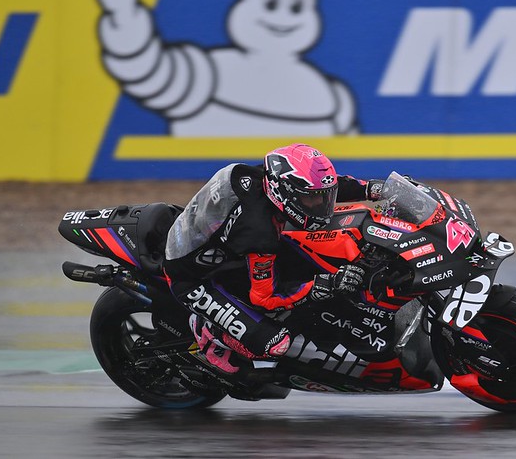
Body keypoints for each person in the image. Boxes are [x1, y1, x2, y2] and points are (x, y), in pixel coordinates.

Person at [164, 144, 383, 373]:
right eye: (312, 201)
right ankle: (208, 331)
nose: (322, 206)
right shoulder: (260, 233)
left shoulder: (263, 176)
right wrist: (324, 285)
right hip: (191, 280)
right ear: (283, 193)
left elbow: (323, 186)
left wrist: (373, 189)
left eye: (323, 198)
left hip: (213, 246)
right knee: (274, 344)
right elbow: (263, 298)